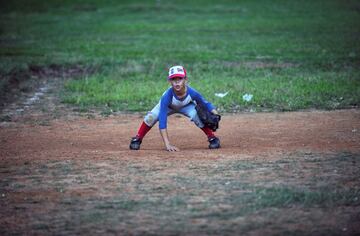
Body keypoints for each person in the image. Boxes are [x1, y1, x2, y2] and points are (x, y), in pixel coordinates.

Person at [129, 65, 220, 151]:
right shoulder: (167, 96)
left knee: (196, 115)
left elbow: (206, 104)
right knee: (151, 117)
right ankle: (138, 137)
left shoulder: (192, 93)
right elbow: (162, 120)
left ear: (185, 80)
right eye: (173, 79)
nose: (177, 82)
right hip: (169, 106)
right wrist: (167, 144)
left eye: (180, 78)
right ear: (170, 81)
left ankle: (212, 137)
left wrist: (216, 114)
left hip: (186, 106)